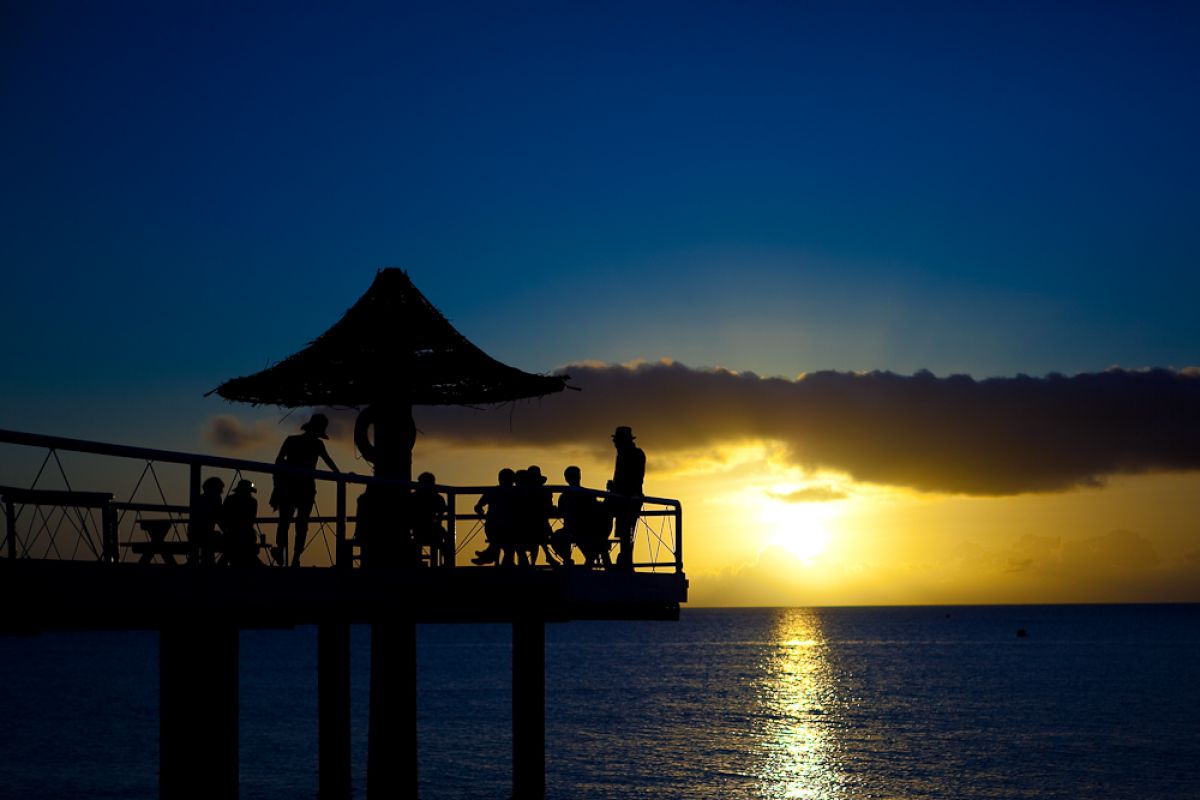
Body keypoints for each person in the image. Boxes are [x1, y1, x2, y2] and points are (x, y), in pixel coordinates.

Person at [270, 413, 340, 567]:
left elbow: (278, 462)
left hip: (288, 486)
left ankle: (281, 551)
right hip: (305, 488)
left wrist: (277, 485)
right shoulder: (317, 445)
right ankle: (295, 558)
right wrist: (340, 476)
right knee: (301, 524)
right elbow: (329, 462)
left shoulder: (292, 440)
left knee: (285, 522)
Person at [557, 466, 609, 568]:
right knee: (594, 550)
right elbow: (598, 507)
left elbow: (560, 511)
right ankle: (586, 566)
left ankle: (569, 562)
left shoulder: (564, 496)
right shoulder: (588, 494)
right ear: (580, 477)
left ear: (566, 479)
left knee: (557, 537)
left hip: (577, 530)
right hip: (587, 529)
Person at [609, 426, 645, 570]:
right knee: (625, 532)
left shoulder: (634, 454)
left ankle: (625, 561)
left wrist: (617, 488)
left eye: (617, 441)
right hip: (622, 498)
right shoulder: (624, 454)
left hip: (629, 499)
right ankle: (624, 560)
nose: (615, 444)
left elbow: (635, 479)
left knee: (626, 532)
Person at [471, 468, 515, 565]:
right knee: (506, 541)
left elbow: (478, 506)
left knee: (498, 539)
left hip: (494, 527)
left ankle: (489, 555)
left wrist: (479, 510)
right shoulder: (516, 492)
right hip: (510, 528)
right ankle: (493, 558)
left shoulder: (493, 491)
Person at [411, 471, 452, 567]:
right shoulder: (437, 497)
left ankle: (417, 563)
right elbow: (442, 513)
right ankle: (447, 563)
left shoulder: (413, 497)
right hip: (431, 528)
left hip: (418, 529)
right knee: (446, 539)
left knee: (443, 538)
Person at [220, 479, 261, 567]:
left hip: (232, 534)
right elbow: (250, 520)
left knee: (230, 552)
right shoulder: (252, 502)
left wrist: (227, 530)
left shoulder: (230, 500)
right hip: (244, 535)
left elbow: (223, 518)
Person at [189, 476, 225, 566]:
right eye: (220, 489)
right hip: (205, 534)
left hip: (194, 533)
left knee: (206, 553)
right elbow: (218, 517)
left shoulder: (200, 498)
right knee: (232, 543)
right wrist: (226, 530)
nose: (221, 491)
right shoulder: (215, 498)